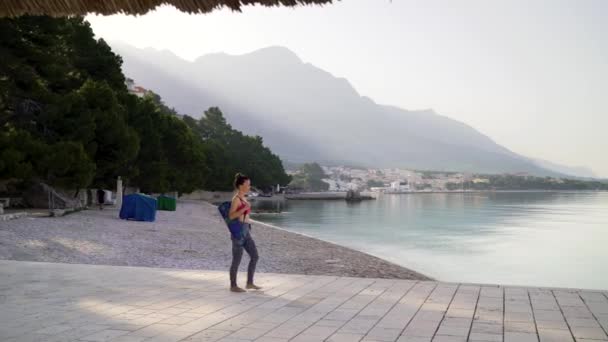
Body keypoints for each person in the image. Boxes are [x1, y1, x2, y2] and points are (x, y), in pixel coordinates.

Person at [228, 173, 261, 292]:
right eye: (247, 184)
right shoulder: (236, 199)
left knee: (255, 256)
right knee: (237, 259)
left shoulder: (244, 198)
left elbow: (244, 216)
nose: (249, 187)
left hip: (246, 230)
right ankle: (233, 286)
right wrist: (243, 208)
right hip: (238, 233)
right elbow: (231, 216)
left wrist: (248, 218)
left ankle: (250, 283)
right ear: (241, 186)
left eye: (249, 184)